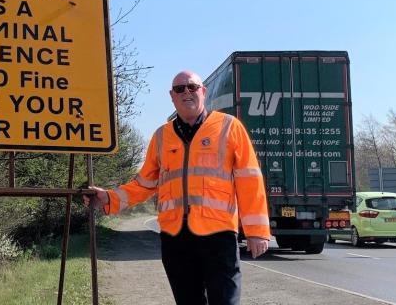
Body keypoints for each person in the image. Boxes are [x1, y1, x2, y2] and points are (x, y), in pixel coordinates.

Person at [84, 70, 270, 305]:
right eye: (180, 89)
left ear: (203, 91)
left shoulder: (228, 127)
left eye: (192, 87)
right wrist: (109, 198)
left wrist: (256, 231)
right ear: (172, 96)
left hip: (218, 235)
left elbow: (249, 179)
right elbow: (145, 183)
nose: (187, 92)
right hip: (175, 238)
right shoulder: (162, 136)